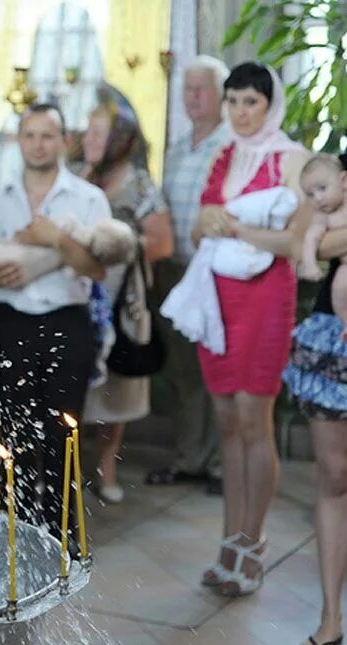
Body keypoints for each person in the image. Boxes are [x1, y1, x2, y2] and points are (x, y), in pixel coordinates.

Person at [192, 62, 309, 598]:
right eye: (233, 101)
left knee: (253, 419)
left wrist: (234, 224)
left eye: (250, 103)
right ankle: (226, 544)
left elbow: (291, 244)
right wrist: (209, 224)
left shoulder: (293, 159)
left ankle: (253, 547)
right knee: (226, 421)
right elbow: (197, 228)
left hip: (265, 298)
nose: (240, 113)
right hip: (216, 297)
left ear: (270, 104)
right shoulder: (223, 155)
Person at [0, 103, 109, 542]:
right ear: (19, 140)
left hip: (68, 321)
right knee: (17, 430)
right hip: (12, 323)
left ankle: (63, 533)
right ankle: (20, 534)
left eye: (47, 135)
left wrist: (53, 247)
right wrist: (1, 273)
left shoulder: (88, 199)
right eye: (30, 135)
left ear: (64, 141)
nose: (38, 144)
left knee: (63, 431)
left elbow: (97, 267)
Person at [73, 103, 173, 504]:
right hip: (80, 293)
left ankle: (106, 467)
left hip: (120, 295)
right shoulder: (78, 178)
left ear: (120, 140)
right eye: (89, 132)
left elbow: (163, 243)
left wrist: (120, 245)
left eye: (99, 133)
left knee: (115, 387)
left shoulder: (141, 187)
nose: (89, 140)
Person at [147, 55, 232, 493]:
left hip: (215, 274)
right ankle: (188, 458)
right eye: (188, 89)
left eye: (202, 89)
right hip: (174, 269)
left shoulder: (232, 145)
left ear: (221, 96)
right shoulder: (178, 147)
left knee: (218, 368)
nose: (193, 97)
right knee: (183, 372)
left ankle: (221, 466)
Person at [283, 160, 347, 645]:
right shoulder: (334, 169)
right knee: (334, 475)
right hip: (335, 338)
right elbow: (311, 243)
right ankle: (330, 619)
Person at [300, 155, 347, 341]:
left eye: (322, 189)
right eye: (310, 194)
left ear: (344, 181)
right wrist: (310, 265)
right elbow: (311, 240)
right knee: (339, 287)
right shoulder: (324, 215)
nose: (318, 198)